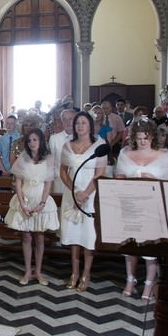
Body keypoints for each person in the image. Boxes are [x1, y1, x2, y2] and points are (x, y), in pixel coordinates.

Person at [115, 118, 168, 301]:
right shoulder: (125, 153)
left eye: (146, 138)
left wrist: (152, 179)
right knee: (131, 246)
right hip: (130, 204)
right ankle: (130, 280)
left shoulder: (164, 155)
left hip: (151, 206)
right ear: (133, 137)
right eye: (139, 138)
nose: (142, 142)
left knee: (149, 248)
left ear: (152, 138)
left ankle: (149, 284)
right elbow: (118, 177)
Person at [59, 111, 107, 293]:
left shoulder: (99, 146)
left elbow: (100, 174)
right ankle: (74, 272)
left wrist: (85, 193)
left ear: (90, 126)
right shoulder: (67, 146)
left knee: (88, 235)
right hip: (72, 193)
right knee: (73, 236)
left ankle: (86, 274)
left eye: (84, 123)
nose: (80, 126)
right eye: (77, 123)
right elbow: (63, 171)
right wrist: (74, 191)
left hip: (90, 195)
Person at [5, 128, 59, 285]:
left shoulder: (48, 159)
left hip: (41, 199)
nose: (32, 143)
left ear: (41, 141)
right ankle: (28, 271)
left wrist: (42, 203)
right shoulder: (23, 158)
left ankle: (39, 271)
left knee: (40, 237)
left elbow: (49, 183)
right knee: (27, 236)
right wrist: (22, 203)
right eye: (29, 140)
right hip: (26, 199)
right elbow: (18, 183)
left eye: (35, 139)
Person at [48, 109, 75, 193]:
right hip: (59, 180)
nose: (68, 122)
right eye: (64, 119)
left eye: (71, 119)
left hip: (76, 180)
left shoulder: (82, 138)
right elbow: (51, 162)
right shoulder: (54, 138)